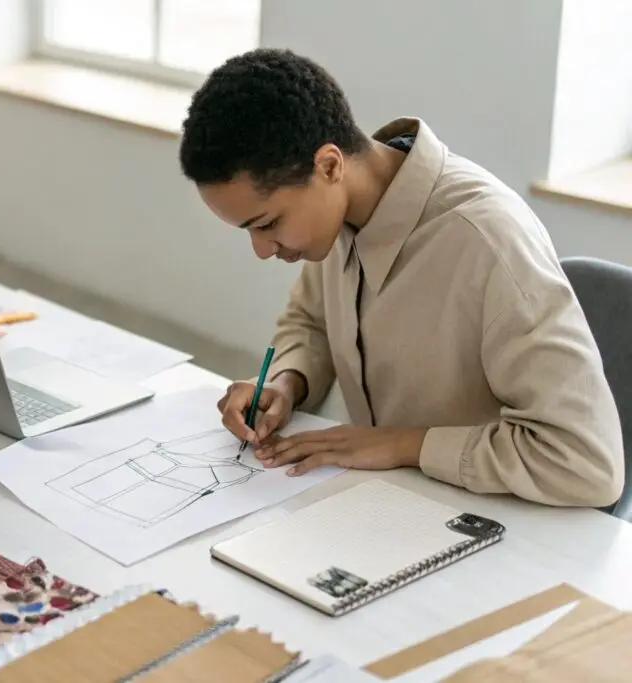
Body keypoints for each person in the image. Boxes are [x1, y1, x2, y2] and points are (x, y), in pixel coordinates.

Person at [178, 48, 624, 508]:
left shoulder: (488, 243)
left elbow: (587, 462)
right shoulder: (334, 219)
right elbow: (311, 323)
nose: (261, 250)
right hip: (389, 507)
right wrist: (287, 382)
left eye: (267, 224)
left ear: (329, 166)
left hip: (506, 527)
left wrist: (401, 444)